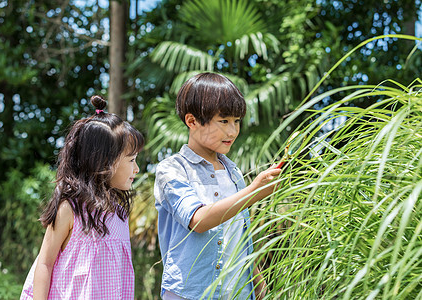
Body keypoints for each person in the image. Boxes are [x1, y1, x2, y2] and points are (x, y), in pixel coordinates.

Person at [154, 72, 282, 300]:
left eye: (237, 121)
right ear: (192, 121)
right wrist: (254, 191)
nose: (232, 131)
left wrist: (259, 286)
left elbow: (240, 239)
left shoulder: (233, 172)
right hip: (191, 294)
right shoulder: (172, 169)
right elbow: (198, 220)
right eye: (224, 121)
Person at [20, 95, 144, 300]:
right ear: (105, 162)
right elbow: (45, 263)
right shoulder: (70, 209)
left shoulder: (120, 211)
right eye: (131, 160)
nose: (137, 169)